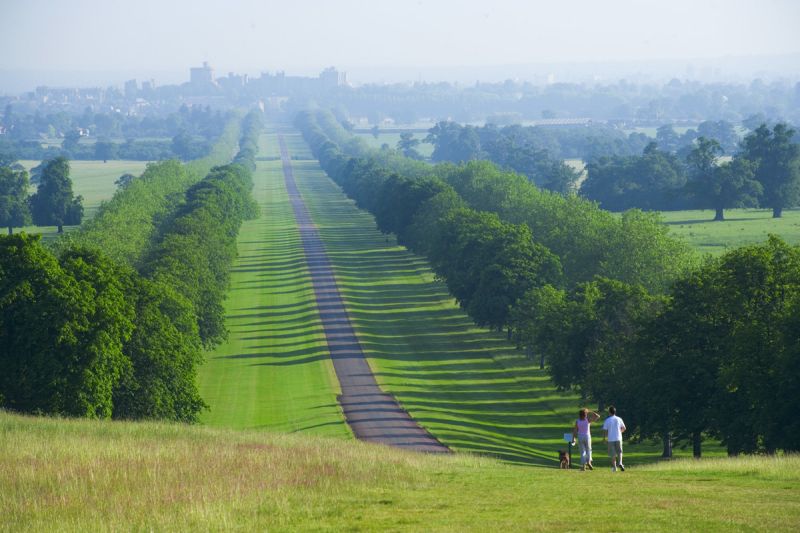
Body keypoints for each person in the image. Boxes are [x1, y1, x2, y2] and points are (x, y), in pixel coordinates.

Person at [602, 406, 626, 472]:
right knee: (620, 452)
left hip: (611, 439)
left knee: (613, 454)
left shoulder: (607, 420)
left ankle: (615, 467)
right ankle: (620, 463)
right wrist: (619, 432)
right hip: (618, 438)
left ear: (609, 412)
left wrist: (604, 438)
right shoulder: (619, 419)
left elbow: (605, 430)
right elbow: (624, 428)